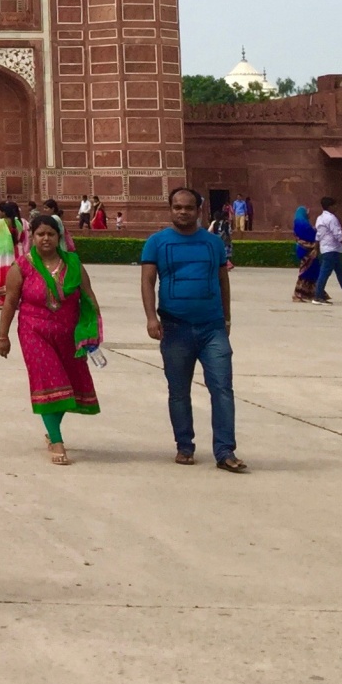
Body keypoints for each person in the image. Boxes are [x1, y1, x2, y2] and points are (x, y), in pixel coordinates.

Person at [140, 186, 245, 471]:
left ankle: (225, 451)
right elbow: (148, 281)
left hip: (212, 327)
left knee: (222, 388)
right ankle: (184, 446)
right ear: (170, 209)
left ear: (198, 210)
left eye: (188, 207)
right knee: (178, 390)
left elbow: (223, 280)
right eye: (177, 207)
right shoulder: (156, 243)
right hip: (175, 327)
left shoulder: (212, 243)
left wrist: (227, 318)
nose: (183, 212)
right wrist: (151, 318)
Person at [0, 213, 102, 465]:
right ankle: (56, 440)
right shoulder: (22, 266)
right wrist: (3, 336)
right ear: (32, 237)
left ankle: (51, 428)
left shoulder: (73, 263)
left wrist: (92, 331)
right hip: (34, 331)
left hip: (68, 333)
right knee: (49, 381)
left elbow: (88, 297)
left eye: (50, 234)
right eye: (40, 234)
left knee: (69, 385)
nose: (45, 239)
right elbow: (10, 302)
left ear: (59, 237)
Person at [311, 197, 342, 304]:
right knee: (324, 273)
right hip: (332, 249)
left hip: (327, 249)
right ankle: (318, 296)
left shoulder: (319, 218)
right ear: (330, 206)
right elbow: (338, 234)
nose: (336, 207)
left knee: (340, 273)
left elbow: (318, 235)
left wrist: (316, 248)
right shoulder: (331, 219)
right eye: (335, 205)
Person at [291, 206, 319, 300]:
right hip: (306, 249)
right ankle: (299, 293)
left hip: (306, 249)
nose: (309, 214)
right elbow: (311, 235)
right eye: (307, 213)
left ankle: (308, 292)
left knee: (311, 271)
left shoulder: (301, 222)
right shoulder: (302, 224)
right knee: (305, 272)